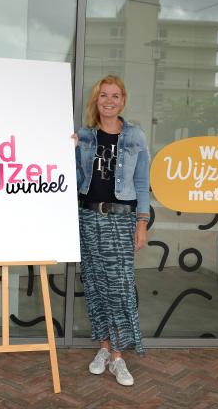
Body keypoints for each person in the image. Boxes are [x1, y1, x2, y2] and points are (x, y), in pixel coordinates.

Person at [73, 75, 150, 387]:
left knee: (119, 288)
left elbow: (143, 183)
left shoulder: (135, 136)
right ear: (96, 99)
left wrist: (142, 223)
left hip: (121, 221)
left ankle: (118, 356)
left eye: (115, 95)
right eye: (103, 95)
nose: (109, 100)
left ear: (123, 100)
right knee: (94, 284)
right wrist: (70, 150)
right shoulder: (84, 137)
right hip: (89, 218)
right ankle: (104, 347)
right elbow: (72, 177)